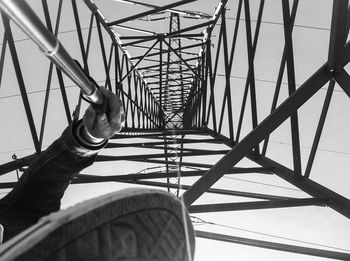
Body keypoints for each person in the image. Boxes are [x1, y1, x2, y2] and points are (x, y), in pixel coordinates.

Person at [0, 87, 195, 260]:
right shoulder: (23, 220)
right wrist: (88, 140)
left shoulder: (20, 220)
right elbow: (44, 185)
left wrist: (89, 137)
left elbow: (43, 185)